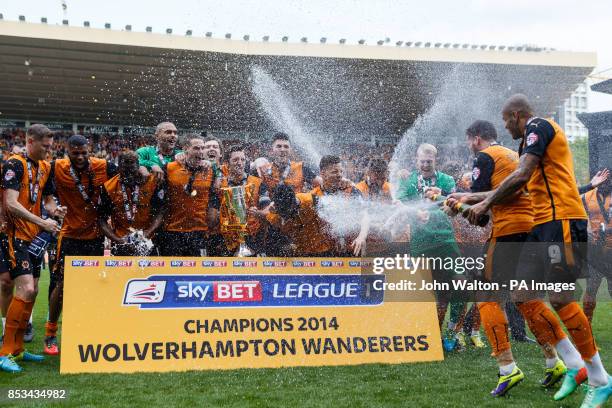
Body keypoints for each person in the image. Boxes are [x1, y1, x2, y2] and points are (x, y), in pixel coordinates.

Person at [465, 94, 611, 407]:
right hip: (540, 227)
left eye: (506, 120)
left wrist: (484, 202)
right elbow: (518, 184)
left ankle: (600, 379)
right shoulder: (524, 146)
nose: (505, 126)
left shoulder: (539, 127)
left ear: (516, 114)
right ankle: (573, 366)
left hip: (563, 222)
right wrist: (467, 198)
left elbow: (519, 176)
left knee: (559, 298)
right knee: (522, 294)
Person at [447, 119, 564, 397]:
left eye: (468, 141)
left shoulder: (485, 157)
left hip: (509, 232)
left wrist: (455, 206)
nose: (469, 146)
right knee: (526, 298)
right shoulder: (514, 155)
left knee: (485, 295)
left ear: (476, 138)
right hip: (533, 230)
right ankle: (555, 360)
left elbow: (480, 214)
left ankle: (507, 367)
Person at [0, 124, 66, 373]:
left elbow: (47, 200)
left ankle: (17, 349)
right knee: (25, 287)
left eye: (51, 147)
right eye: (45, 146)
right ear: (30, 141)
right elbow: (10, 203)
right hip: (14, 234)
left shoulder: (46, 167)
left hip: (34, 238)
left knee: (35, 289)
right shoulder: (14, 164)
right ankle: (5, 351)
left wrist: (54, 211)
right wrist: (42, 221)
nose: (49, 151)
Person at [44, 135, 117, 355]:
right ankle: (50, 333)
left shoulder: (104, 166)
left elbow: (127, 172)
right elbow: (46, 194)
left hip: (95, 237)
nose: (80, 157)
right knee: (61, 285)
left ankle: (86, 329)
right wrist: (51, 209)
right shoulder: (56, 167)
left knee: (92, 286)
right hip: (69, 236)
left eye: (84, 152)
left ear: (90, 150)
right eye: (75, 153)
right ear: (66, 151)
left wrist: (144, 169)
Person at [396, 143, 466, 351]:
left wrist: (433, 211)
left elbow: (451, 204)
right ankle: (432, 336)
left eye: (429, 161)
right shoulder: (408, 180)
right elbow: (399, 203)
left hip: (445, 240)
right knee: (431, 293)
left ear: (436, 160)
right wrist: (415, 213)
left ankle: (453, 332)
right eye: (422, 161)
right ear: (416, 160)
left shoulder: (447, 180)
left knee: (461, 285)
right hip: (420, 242)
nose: (426, 164)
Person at [158, 136, 220, 256]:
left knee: (198, 272)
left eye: (202, 148)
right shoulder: (169, 168)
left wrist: (212, 216)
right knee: (171, 272)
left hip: (199, 232)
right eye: (196, 148)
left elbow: (213, 198)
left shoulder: (210, 171)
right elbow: (160, 199)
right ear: (185, 149)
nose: (201, 151)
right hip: (173, 232)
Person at [98, 151, 164, 255]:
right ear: (119, 168)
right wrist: (118, 240)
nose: (129, 175)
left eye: (132, 171)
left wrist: (146, 234)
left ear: (138, 166)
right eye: (125, 171)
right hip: (120, 243)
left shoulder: (152, 183)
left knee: (150, 271)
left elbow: (160, 212)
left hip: (148, 241)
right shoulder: (108, 187)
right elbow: (101, 220)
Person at [219, 145, 268, 255]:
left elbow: (267, 210)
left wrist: (258, 213)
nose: (240, 163)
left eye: (242, 159)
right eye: (235, 160)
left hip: (254, 238)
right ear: (227, 163)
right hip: (228, 239)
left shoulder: (257, 182)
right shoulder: (221, 184)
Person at [580, 169, 612, 323]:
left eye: (608, 178)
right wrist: (585, 228)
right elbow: (576, 215)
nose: (604, 181)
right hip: (594, 251)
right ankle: (586, 328)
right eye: (602, 177)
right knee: (591, 288)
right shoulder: (586, 196)